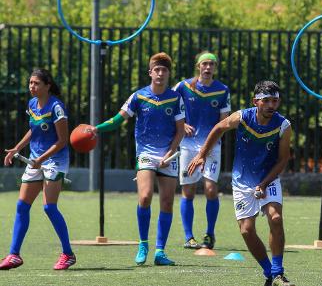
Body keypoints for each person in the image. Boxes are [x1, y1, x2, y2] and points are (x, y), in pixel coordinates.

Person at [188, 80, 295, 286]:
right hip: (242, 180)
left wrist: (264, 184)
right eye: (267, 101)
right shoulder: (242, 117)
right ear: (256, 101)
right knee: (246, 230)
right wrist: (202, 154)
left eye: (275, 101)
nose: (272, 105)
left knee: (275, 217)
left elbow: (283, 160)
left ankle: (278, 271)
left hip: (268, 178)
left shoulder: (283, 125)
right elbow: (219, 128)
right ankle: (269, 273)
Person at [91, 52, 185, 266]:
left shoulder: (175, 98)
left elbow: (180, 131)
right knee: (144, 197)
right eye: (157, 70)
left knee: (167, 202)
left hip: (168, 154)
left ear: (169, 74)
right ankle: (143, 244)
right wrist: (97, 128)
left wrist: (171, 153)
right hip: (145, 153)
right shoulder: (138, 96)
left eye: (164, 70)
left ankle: (160, 251)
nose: (160, 73)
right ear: (150, 72)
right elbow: (118, 120)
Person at [1, 69, 76, 270]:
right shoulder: (32, 104)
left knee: (49, 207)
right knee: (22, 205)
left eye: (36, 83)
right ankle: (14, 255)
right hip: (36, 159)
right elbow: (33, 130)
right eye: (30, 83)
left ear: (47, 85)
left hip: (55, 161)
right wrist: (17, 148)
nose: (32, 86)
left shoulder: (57, 107)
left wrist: (41, 159)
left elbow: (62, 141)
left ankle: (68, 254)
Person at [173, 51, 231, 250]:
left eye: (211, 65)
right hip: (188, 145)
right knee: (188, 190)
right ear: (198, 66)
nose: (208, 68)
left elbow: (224, 122)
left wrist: (207, 148)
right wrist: (181, 125)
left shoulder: (222, 90)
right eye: (204, 64)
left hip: (212, 146)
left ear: (215, 68)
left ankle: (209, 234)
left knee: (210, 189)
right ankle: (189, 237)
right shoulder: (183, 86)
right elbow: (169, 104)